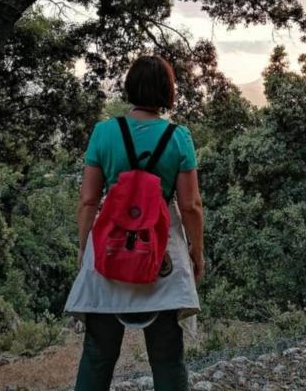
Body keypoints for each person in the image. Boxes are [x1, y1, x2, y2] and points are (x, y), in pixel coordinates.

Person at [65, 55, 204, 391]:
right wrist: (196, 251)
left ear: (129, 87)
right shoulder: (178, 137)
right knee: (168, 357)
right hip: (162, 255)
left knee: (98, 354)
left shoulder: (104, 132)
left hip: (110, 247)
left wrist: (86, 248)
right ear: (167, 92)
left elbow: (88, 199)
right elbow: (190, 205)